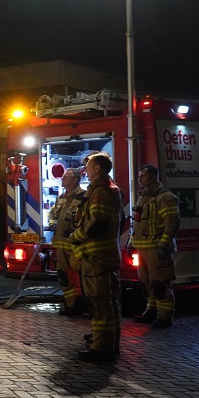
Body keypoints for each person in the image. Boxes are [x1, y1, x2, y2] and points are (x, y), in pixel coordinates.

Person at [70, 151, 123, 362]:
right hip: (104, 255)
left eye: (89, 166)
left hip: (96, 257)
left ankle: (101, 348)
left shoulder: (101, 192)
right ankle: (110, 341)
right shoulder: (107, 189)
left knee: (99, 303)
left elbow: (97, 223)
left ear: (98, 168)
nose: (86, 170)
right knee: (109, 301)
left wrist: (76, 236)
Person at [130, 164, 180, 328]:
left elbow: (172, 222)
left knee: (160, 283)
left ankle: (165, 316)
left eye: (142, 177)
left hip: (157, 248)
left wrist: (163, 244)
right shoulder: (143, 197)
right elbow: (137, 223)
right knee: (146, 282)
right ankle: (151, 310)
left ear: (152, 177)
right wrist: (131, 243)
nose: (139, 180)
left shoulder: (165, 197)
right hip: (143, 247)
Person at [47, 167, 86, 317]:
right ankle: (71, 304)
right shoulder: (62, 197)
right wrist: (52, 223)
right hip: (61, 245)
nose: (62, 179)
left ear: (75, 180)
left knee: (80, 276)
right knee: (64, 275)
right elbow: (52, 213)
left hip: (76, 246)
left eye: (66, 177)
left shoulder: (83, 197)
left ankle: (82, 303)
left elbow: (84, 220)